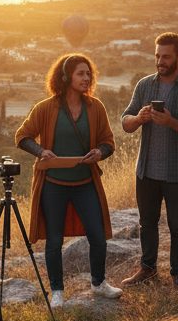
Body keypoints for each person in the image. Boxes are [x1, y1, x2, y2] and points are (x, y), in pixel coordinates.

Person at [15, 53, 121, 307]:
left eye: (89, 74)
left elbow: (108, 142)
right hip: (53, 185)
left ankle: (98, 284)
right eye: (80, 74)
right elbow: (22, 136)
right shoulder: (45, 108)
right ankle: (57, 292)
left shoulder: (96, 107)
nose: (87, 78)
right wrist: (40, 151)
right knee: (54, 241)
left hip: (86, 183)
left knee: (97, 236)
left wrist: (100, 152)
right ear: (65, 77)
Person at [121, 32, 178, 290]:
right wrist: (138, 118)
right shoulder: (144, 85)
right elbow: (125, 122)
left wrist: (171, 122)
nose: (160, 61)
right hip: (147, 169)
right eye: (157, 56)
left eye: (166, 57)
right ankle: (147, 269)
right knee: (147, 223)